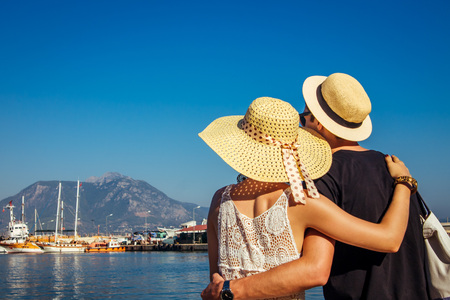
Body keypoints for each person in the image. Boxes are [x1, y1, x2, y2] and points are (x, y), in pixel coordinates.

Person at [199, 96, 417, 300]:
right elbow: (389, 239)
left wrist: (228, 289)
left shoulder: (220, 199)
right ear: (295, 148)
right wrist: (404, 183)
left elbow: (215, 279)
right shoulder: (305, 202)